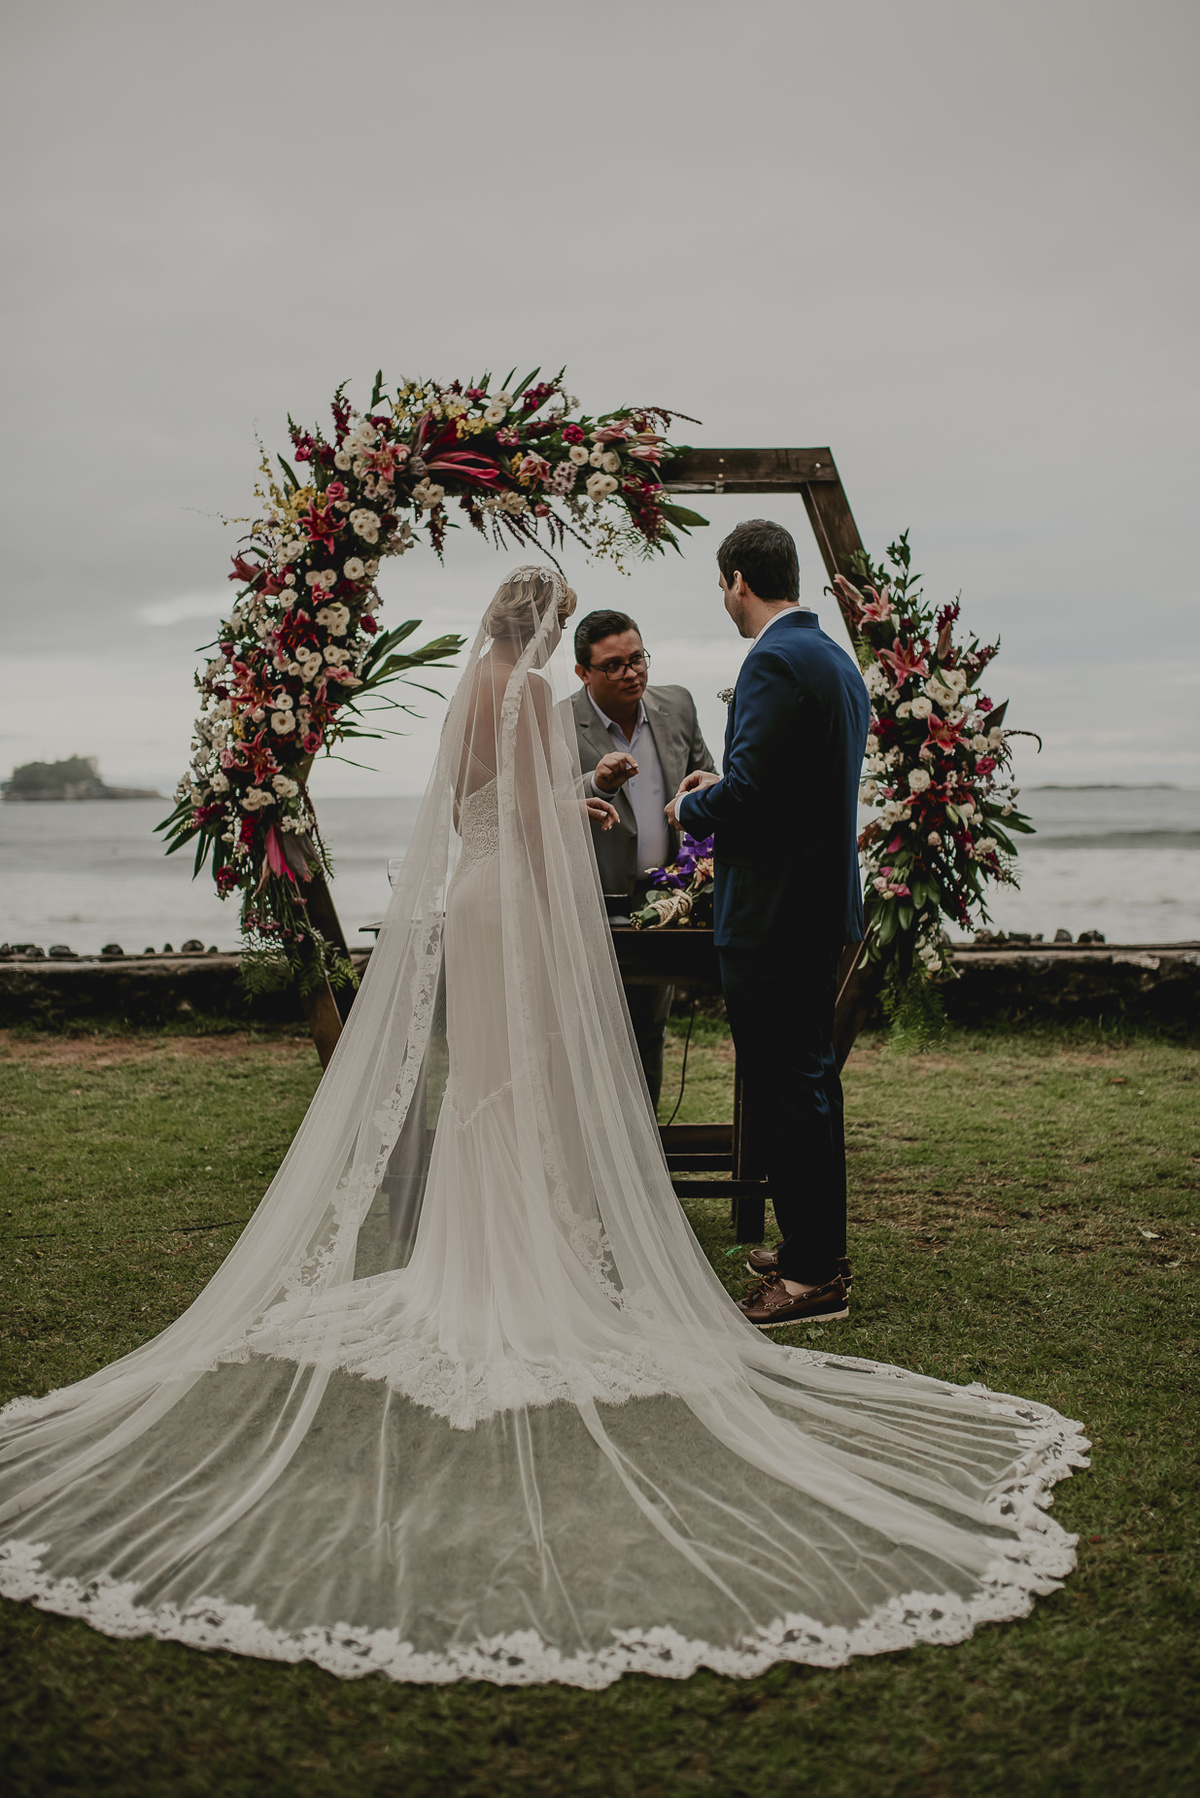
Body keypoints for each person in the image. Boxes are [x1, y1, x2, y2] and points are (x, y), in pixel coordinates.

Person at [0, 566, 1086, 1691]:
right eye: (573, 629)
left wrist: (568, 807)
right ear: (550, 630)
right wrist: (583, 809)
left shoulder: (476, 681)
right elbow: (528, 817)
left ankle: (470, 1248)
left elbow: (477, 810)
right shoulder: (523, 696)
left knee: (487, 1083)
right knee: (520, 1080)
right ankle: (524, 1257)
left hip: (469, 896)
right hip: (510, 900)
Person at [670, 520, 870, 1327]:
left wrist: (691, 806)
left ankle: (811, 1277)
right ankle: (810, 1247)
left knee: (790, 1090)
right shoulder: (834, 661)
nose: (724, 600)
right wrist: (726, 782)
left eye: (723, 587)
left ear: (737, 582)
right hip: (816, 907)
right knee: (811, 1085)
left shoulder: (773, 659)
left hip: (775, 915)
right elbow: (788, 785)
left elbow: (749, 799)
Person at [565, 609, 716, 1105]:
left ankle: (647, 1163)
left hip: (665, 905)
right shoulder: (557, 722)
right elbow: (531, 802)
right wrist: (591, 783)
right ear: (582, 672)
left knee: (649, 1035)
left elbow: (707, 776)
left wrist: (705, 792)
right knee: (587, 1042)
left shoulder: (678, 705)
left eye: (637, 658)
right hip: (589, 908)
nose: (631, 672)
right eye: (613, 665)